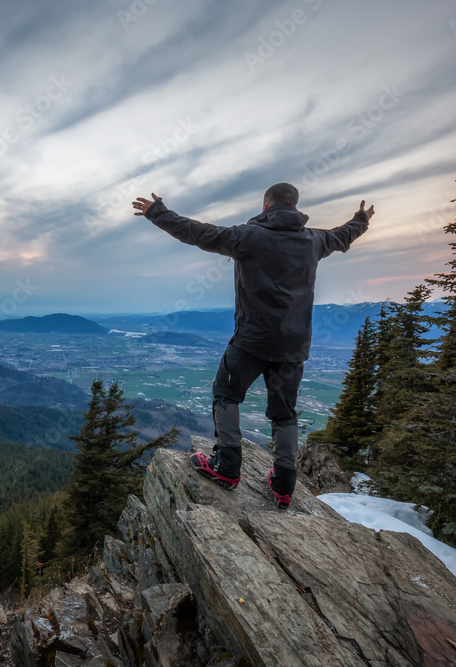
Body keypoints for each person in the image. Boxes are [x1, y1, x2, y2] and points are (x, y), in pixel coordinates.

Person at [132, 183, 373, 508]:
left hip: (252, 341)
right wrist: (361, 218)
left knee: (225, 393)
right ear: (294, 207)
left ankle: (227, 466)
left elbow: (197, 233)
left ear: (265, 206)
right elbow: (343, 236)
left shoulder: (249, 236)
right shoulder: (313, 240)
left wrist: (156, 212)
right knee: (284, 414)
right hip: (293, 345)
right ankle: (285, 485)